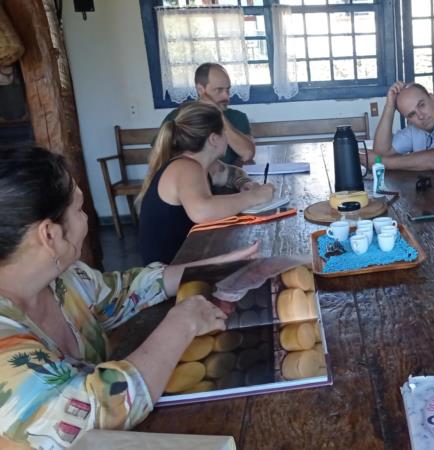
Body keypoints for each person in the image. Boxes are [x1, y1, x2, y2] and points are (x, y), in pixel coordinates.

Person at [0, 147, 256, 448]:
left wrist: (213, 265)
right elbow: (91, 415)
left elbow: (124, 291)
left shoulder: (63, 281)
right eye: (80, 210)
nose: (87, 219)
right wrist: (180, 324)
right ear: (50, 235)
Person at [137, 102, 275, 265]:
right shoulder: (186, 167)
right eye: (224, 132)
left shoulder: (202, 165)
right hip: (165, 275)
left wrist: (243, 182)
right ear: (213, 139)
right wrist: (254, 196)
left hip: (185, 259)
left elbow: (231, 173)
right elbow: (202, 211)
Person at [161, 63, 255, 166]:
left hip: (230, 179)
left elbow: (248, 153)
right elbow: (161, 159)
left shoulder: (238, 117)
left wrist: (219, 115)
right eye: (219, 90)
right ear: (201, 90)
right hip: (188, 179)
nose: (226, 96)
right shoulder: (178, 117)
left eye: (228, 89)